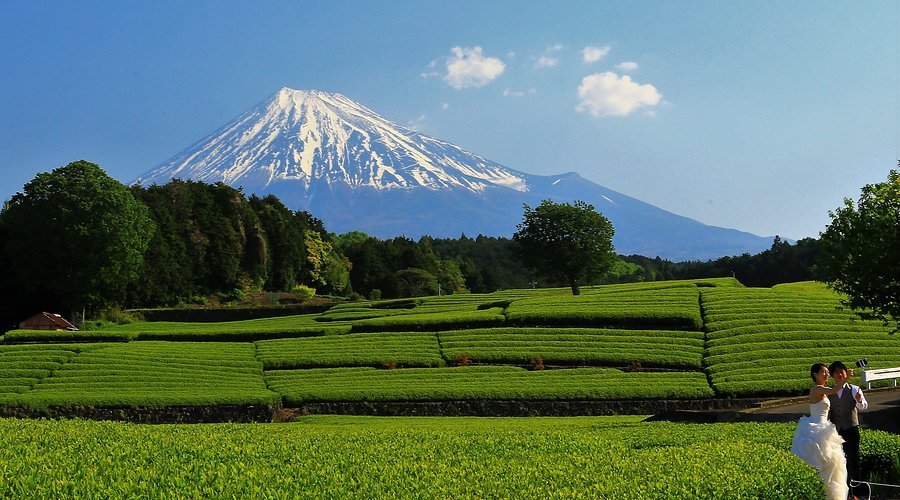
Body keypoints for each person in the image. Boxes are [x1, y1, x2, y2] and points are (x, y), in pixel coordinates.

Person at [791, 363, 849, 500]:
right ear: (815, 374)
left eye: (827, 372)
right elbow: (834, 390)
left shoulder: (822, 390)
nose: (827, 374)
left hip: (825, 427)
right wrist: (846, 379)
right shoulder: (816, 389)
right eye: (824, 372)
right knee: (819, 460)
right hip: (816, 428)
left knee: (832, 462)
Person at [828, 360, 868, 498]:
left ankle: (857, 492)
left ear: (846, 373)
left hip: (851, 429)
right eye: (836, 372)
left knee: (853, 460)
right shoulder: (829, 392)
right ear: (832, 375)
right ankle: (843, 491)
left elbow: (864, 407)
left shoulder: (855, 389)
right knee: (839, 462)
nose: (839, 374)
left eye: (841, 371)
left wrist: (859, 400)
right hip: (836, 432)